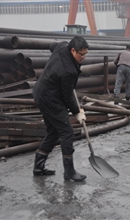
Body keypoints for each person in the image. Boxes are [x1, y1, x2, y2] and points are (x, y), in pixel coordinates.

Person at [32, 36, 88, 182]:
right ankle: (69, 172)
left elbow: (52, 46)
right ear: (73, 50)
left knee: (53, 132)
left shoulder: (61, 46)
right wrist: (77, 112)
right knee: (67, 132)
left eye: (85, 54)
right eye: (81, 55)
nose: (83, 57)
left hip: (40, 92)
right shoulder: (69, 71)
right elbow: (68, 96)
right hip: (50, 99)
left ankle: (38, 167)